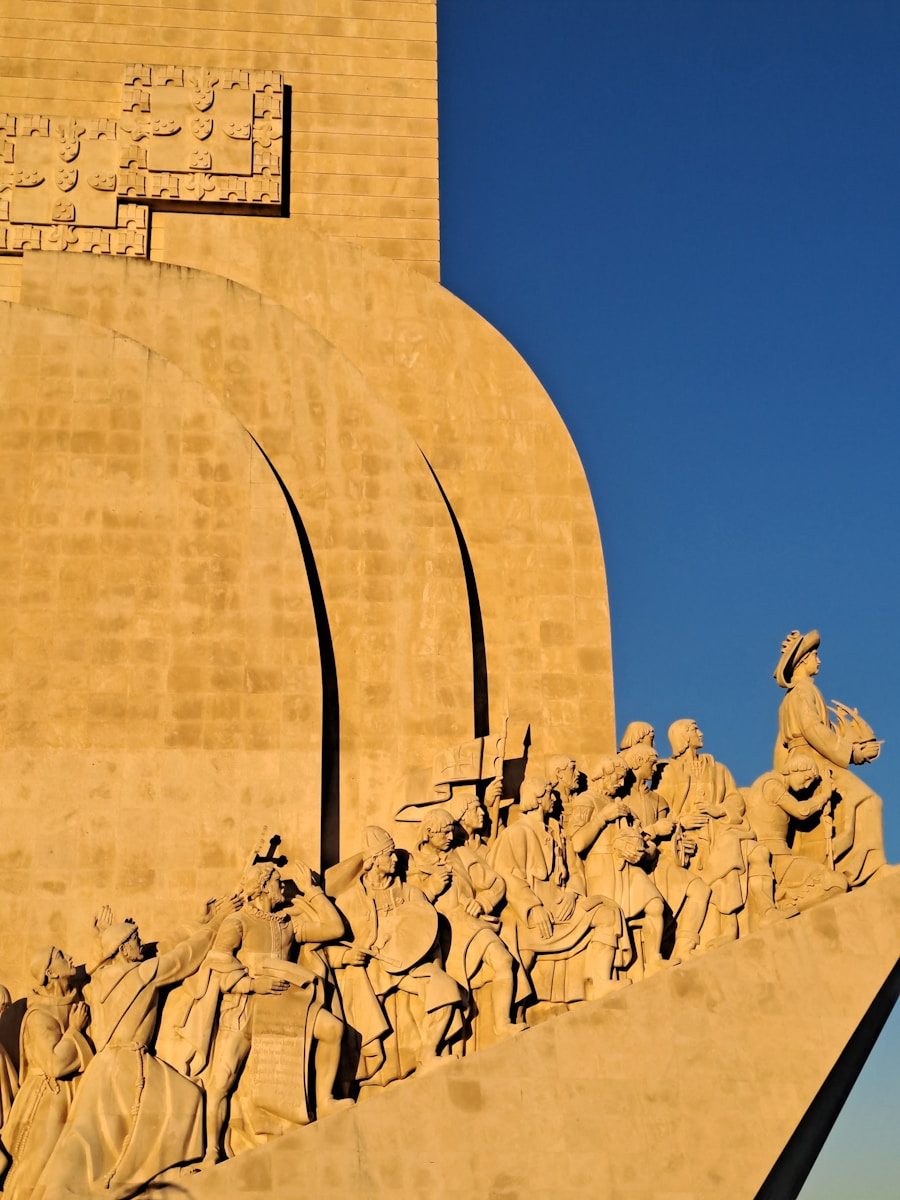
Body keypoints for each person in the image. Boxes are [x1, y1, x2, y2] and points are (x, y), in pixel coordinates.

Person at [32, 896, 237, 1200]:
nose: (141, 945)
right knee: (187, 1098)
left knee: (89, 1138)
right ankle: (148, 1174)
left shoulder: (98, 980)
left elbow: (105, 961)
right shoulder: (142, 975)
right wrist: (218, 921)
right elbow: (184, 956)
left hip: (101, 1067)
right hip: (130, 1062)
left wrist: (102, 938)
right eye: (135, 941)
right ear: (124, 949)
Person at [198, 861, 350, 1166]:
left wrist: (314, 892)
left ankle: (325, 1099)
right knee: (221, 1080)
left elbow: (335, 928)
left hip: (282, 1006)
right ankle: (212, 1151)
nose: (283, 886)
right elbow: (218, 960)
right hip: (245, 1009)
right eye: (278, 881)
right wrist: (253, 983)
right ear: (264, 885)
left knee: (333, 1029)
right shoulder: (238, 921)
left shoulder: (286, 924)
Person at [326, 827, 463, 1086]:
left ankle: (428, 1055)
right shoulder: (349, 900)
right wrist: (346, 956)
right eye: (389, 855)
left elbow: (426, 925)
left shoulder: (408, 892)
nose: (395, 860)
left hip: (410, 968)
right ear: (374, 860)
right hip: (370, 972)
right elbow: (324, 949)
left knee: (445, 988)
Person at [491, 778, 626, 1005]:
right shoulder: (517, 832)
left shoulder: (557, 833)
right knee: (524, 954)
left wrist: (573, 894)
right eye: (548, 795)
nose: (554, 799)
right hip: (536, 915)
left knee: (608, 913)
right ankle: (514, 1008)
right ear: (536, 798)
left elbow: (576, 869)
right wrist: (533, 909)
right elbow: (507, 875)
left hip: (564, 906)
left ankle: (602, 981)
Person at [773, 629, 886, 887]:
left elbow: (786, 742)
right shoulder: (803, 691)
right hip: (811, 761)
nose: (819, 661)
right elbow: (814, 731)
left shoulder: (796, 695)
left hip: (807, 759)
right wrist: (853, 753)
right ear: (803, 661)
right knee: (867, 800)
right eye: (815, 656)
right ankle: (864, 871)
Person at [408, 808, 524, 1040]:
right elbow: (410, 909)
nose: (450, 838)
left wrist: (482, 902)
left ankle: (502, 1023)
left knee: (503, 960)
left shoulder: (461, 853)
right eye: (444, 833)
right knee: (452, 993)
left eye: (452, 832)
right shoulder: (414, 865)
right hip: (443, 935)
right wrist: (431, 888)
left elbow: (496, 883)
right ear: (428, 833)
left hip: (470, 923)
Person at [657, 719, 779, 939]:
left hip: (723, 828)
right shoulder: (669, 772)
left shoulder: (718, 769)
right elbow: (661, 811)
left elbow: (736, 800)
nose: (701, 734)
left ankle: (767, 911)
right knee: (728, 856)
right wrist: (683, 822)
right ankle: (729, 926)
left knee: (759, 852)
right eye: (695, 730)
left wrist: (719, 810)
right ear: (683, 737)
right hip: (691, 840)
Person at [2, 948, 92, 1200]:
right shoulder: (39, 1016)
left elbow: (93, 967)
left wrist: (101, 940)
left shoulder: (73, 998)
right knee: (33, 1168)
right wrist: (74, 1030)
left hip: (70, 1096)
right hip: (45, 1100)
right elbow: (54, 1064)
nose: (71, 958)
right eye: (62, 956)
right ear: (51, 973)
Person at [567, 755, 667, 975]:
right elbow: (578, 842)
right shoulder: (586, 801)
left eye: (623, 779)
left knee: (655, 905)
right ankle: (605, 976)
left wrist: (644, 851)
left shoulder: (622, 806)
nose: (621, 784)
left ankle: (654, 960)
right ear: (603, 775)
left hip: (628, 868)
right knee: (611, 922)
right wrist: (602, 817)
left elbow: (642, 838)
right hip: (601, 869)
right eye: (618, 778)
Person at [620, 743, 711, 964]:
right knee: (656, 905)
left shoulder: (658, 800)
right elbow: (624, 840)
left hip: (661, 863)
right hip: (637, 870)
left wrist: (682, 843)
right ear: (637, 764)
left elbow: (671, 832)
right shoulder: (622, 801)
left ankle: (684, 947)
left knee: (700, 890)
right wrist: (653, 830)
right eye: (651, 764)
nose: (655, 769)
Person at [746, 750, 849, 910]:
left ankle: (791, 906)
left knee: (836, 883)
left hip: (779, 856)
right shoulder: (772, 785)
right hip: (774, 858)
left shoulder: (774, 785)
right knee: (835, 882)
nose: (806, 785)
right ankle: (790, 908)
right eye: (807, 778)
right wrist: (824, 795)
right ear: (795, 769)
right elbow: (801, 811)